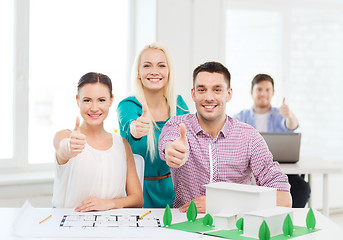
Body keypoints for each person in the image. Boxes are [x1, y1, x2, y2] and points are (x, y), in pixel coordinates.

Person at [158, 62, 292, 213]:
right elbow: (169, 142)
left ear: (228, 94)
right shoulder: (177, 125)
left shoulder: (249, 137)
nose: (209, 97)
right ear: (193, 94)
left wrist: (220, 203)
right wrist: (172, 150)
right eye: (202, 90)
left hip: (235, 226)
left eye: (217, 90)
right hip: (185, 224)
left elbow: (284, 199)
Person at [52, 72, 143, 211]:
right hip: (70, 227)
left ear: (111, 100)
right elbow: (62, 147)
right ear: (77, 101)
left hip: (113, 226)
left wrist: (110, 204)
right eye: (87, 100)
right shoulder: (66, 137)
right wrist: (68, 147)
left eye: (101, 100)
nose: (94, 108)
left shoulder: (122, 144)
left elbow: (137, 199)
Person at [117, 43, 189, 208]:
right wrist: (137, 129)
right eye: (147, 65)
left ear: (169, 71)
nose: (154, 71)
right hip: (137, 194)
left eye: (161, 65)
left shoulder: (179, 105)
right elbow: (130, 126)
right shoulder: (127, 105)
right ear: (138, 72)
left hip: (175, 193)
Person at [233, 73, 311, 208]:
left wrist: (290, 115)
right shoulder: (241, 116)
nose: (263, 93)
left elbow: (291, 125)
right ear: (252, 92)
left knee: (301, 187)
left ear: (273, 93)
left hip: (279, 169)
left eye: (267, 90)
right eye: (259, 89)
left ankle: (288, 220)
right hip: (251, 171)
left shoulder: (280, 114)